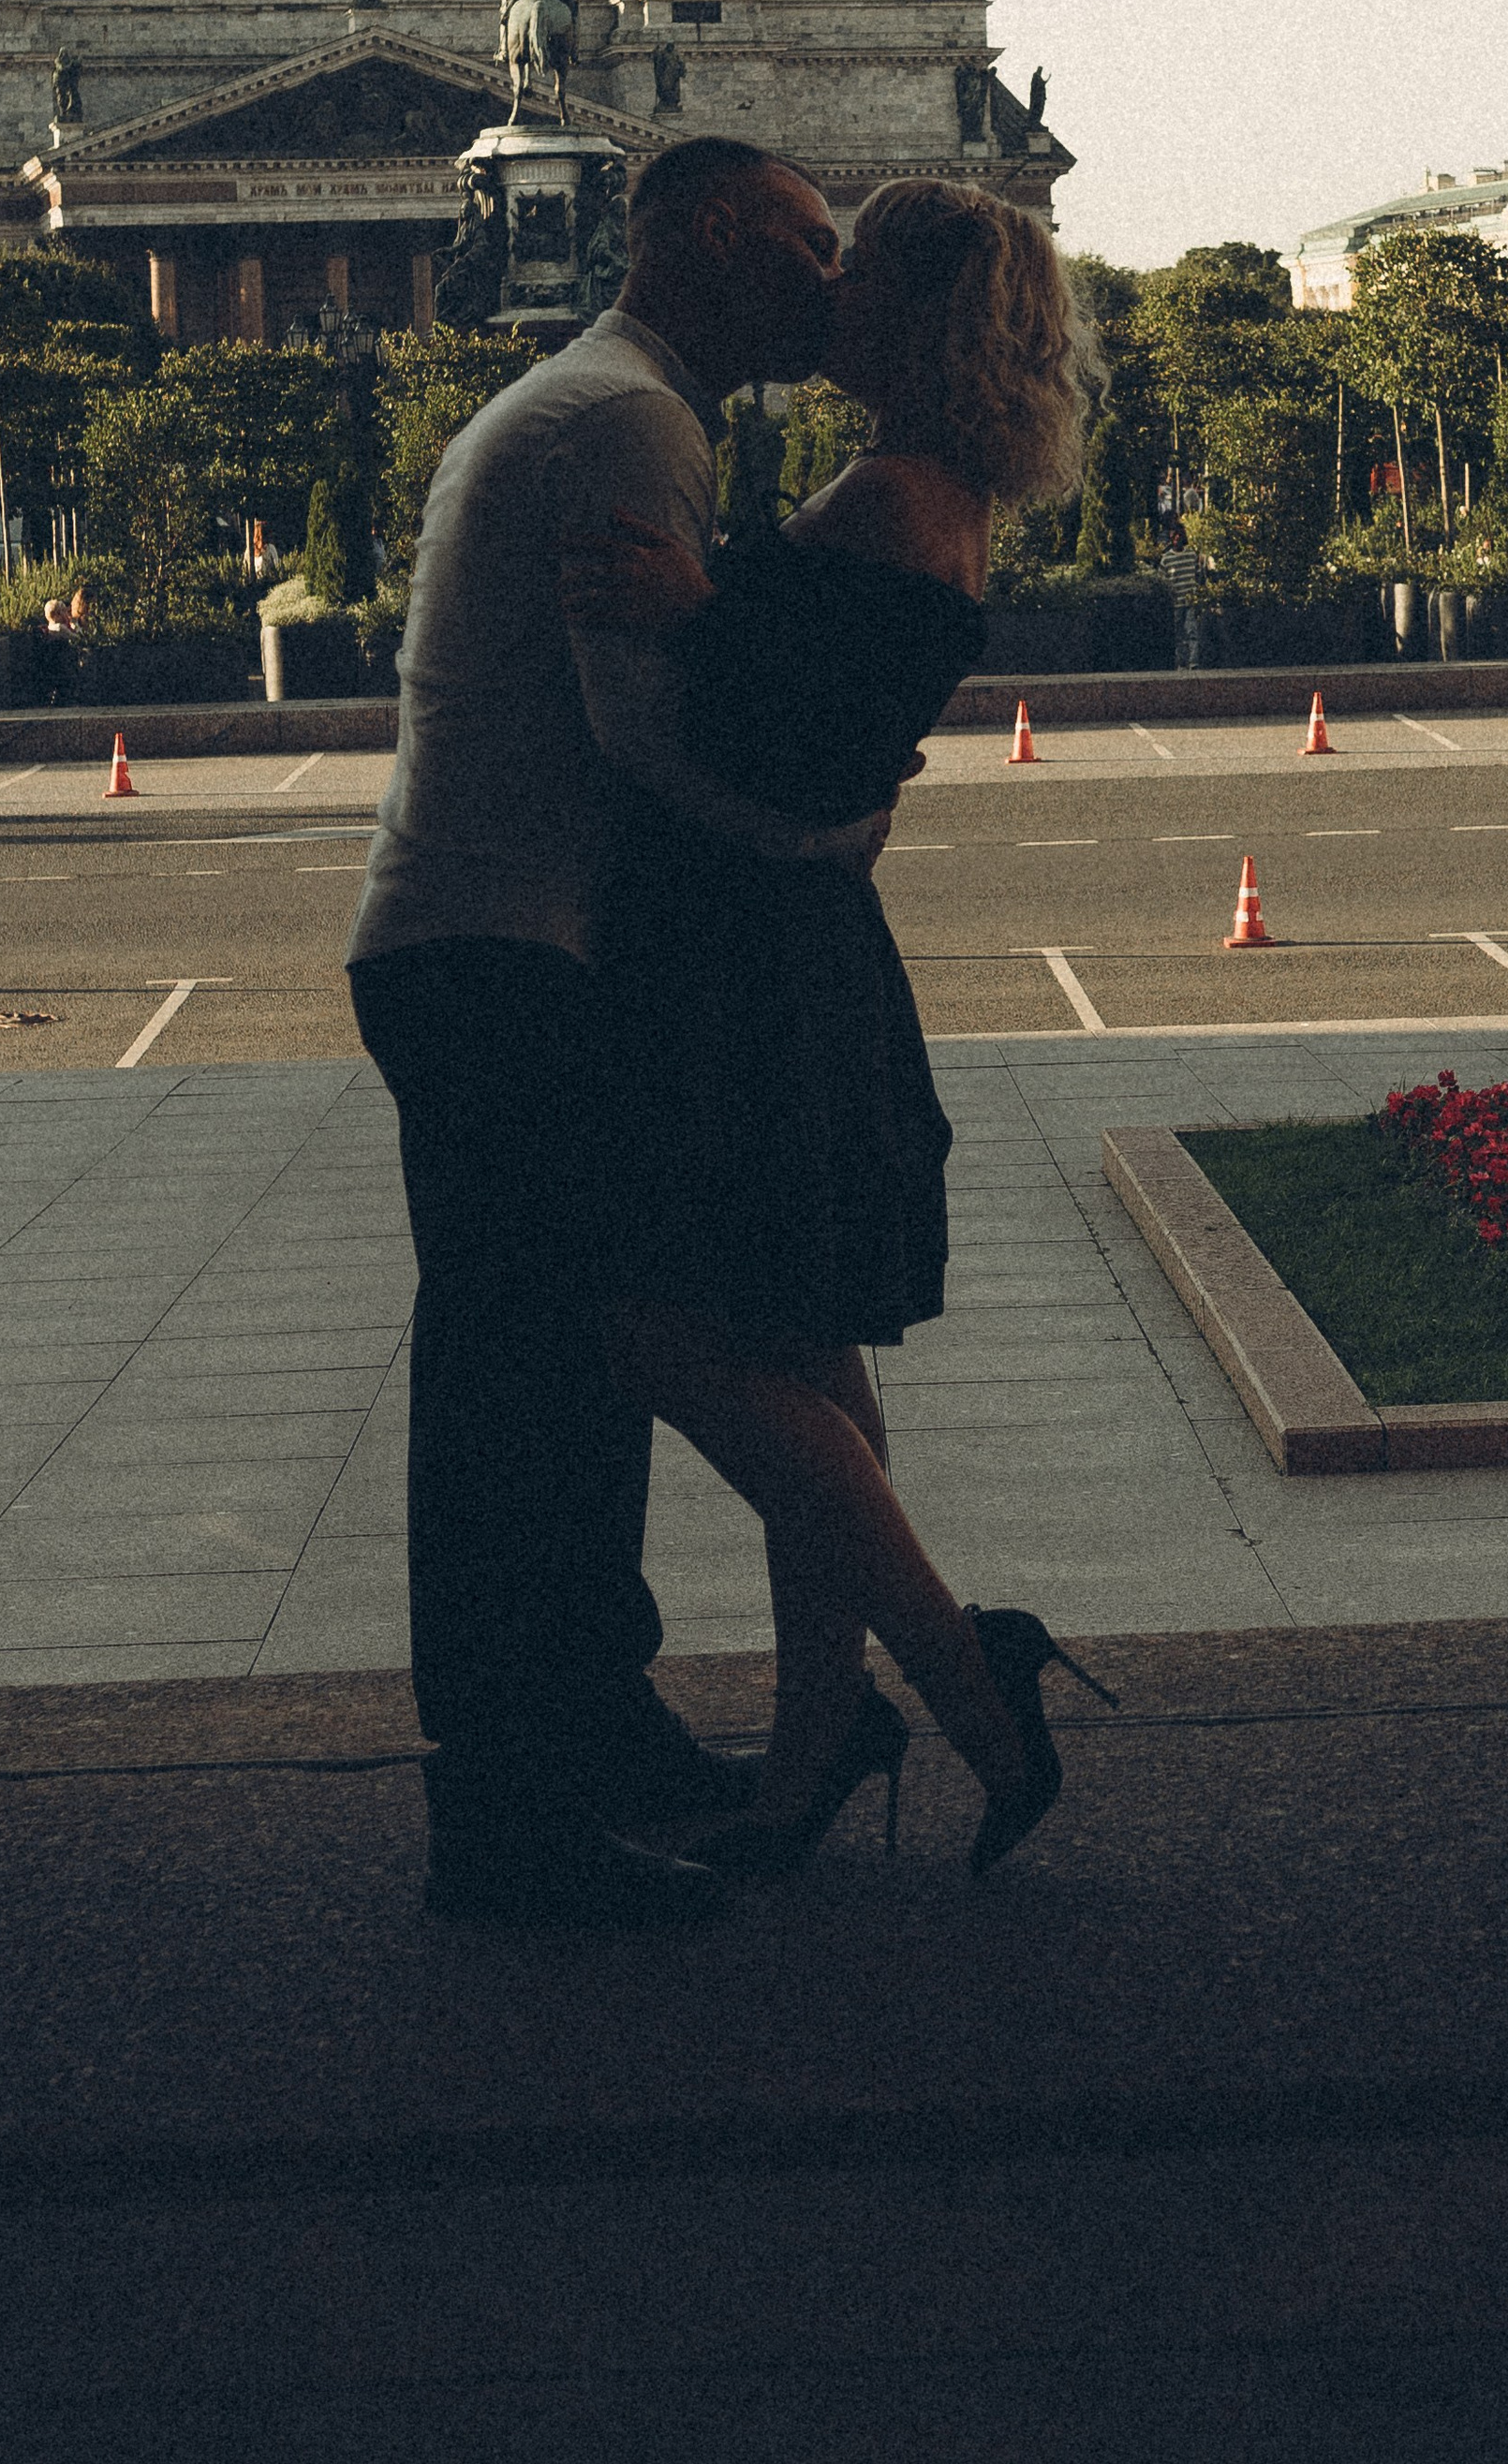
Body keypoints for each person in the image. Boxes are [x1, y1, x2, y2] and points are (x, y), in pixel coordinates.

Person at [346, 139, 892, 1933]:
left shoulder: (609, 402)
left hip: (495, 946)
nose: (838, 276)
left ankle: (595, 1732)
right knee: (518, 1404)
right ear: (724, 243)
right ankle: (502, 1820)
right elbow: (649, 733)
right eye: (814, 243)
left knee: (578, 1381)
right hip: (507, 956)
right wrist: (833, 830)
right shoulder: (623, 426)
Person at [564, 177, 1116, 1884]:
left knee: (656, 1330)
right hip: (795, 957)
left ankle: (965, 1676)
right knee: (806, 1357)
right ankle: (813, 1757)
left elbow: (789, 741)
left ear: (915, 320)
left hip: (753, 977)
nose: (826, 290)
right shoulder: (926, 487)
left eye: (853, 269)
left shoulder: (891, 495)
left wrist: (693, 607)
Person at [1159, 518, 1206, 667]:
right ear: (1171, 538)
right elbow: (1162, 581)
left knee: (1192, 631)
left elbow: (1198, 576)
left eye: (1180, 536)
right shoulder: (1166, 559)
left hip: (1190, 600)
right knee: (1178, 634)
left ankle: (1193, 661)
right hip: (1175, 602)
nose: (1177, 539)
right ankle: (1181, 662)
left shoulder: (1191, 555)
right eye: (1174, 537)